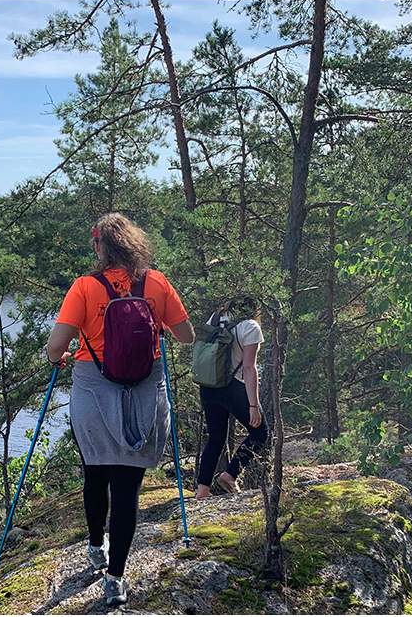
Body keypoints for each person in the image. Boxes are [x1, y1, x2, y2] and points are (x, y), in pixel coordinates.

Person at [45, 213, 195, 607]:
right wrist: (154, 324)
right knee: (127, 489)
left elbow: (54, 348)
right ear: (134, 244)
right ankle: (115, 578)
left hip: (93, 391)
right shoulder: (156, 282)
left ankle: (96, 546)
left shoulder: (84, 287)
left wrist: (59, 354)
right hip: (145, 391)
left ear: (99, 247)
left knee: (95, 474)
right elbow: (186, 335)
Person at [194, 302, 267, 499]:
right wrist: (253, 406)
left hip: (208, 385)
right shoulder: (250, 326)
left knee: (216, 438)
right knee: (260, 433)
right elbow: (249, 368)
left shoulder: (216, 318)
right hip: (233, 386)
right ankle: (230, 475)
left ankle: (202, 489)